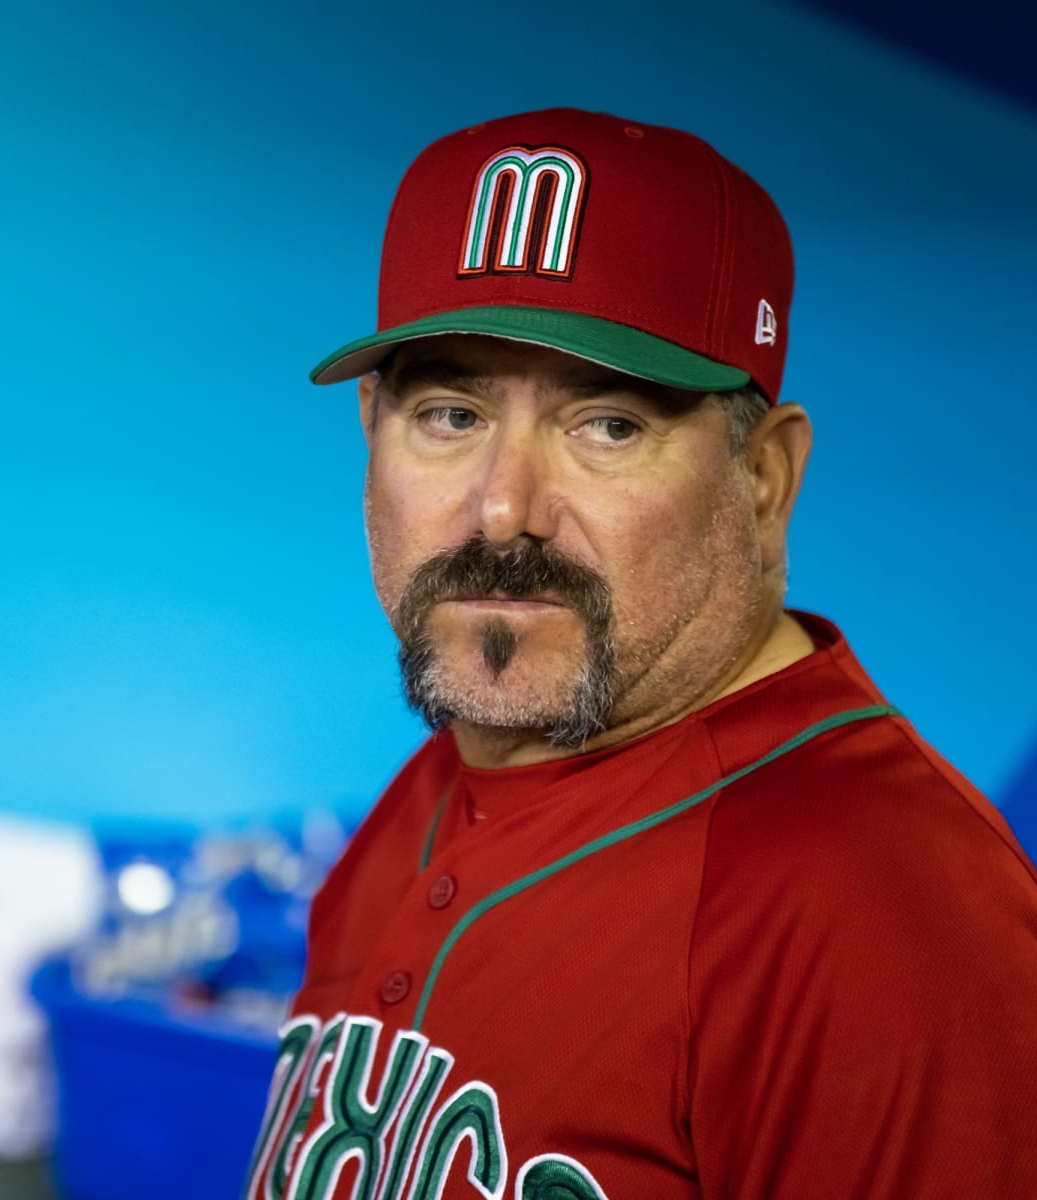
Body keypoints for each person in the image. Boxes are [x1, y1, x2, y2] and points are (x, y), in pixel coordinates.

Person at [242, 109, 1037, 1200]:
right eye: (450, 413)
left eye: (607, 424)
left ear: (763, 478)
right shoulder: (440, 788)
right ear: (372, 430)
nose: (504, 510)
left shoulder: (882, 917)